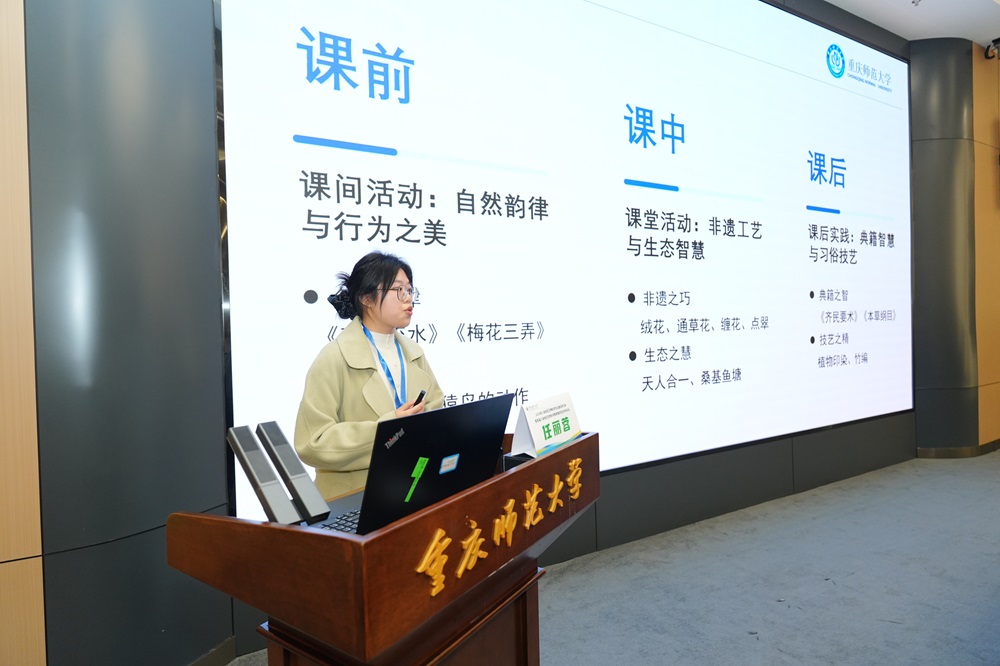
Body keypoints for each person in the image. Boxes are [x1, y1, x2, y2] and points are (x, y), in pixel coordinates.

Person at [294, 251, 444, 498]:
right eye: (399, 290)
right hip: (354, 499)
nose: (409, 299)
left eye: (410, 290)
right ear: (366, 298)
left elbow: (437, 412)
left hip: (411, 489)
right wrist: (387, 429)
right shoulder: (334, 358)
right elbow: (313, 443)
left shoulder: (414, 353)